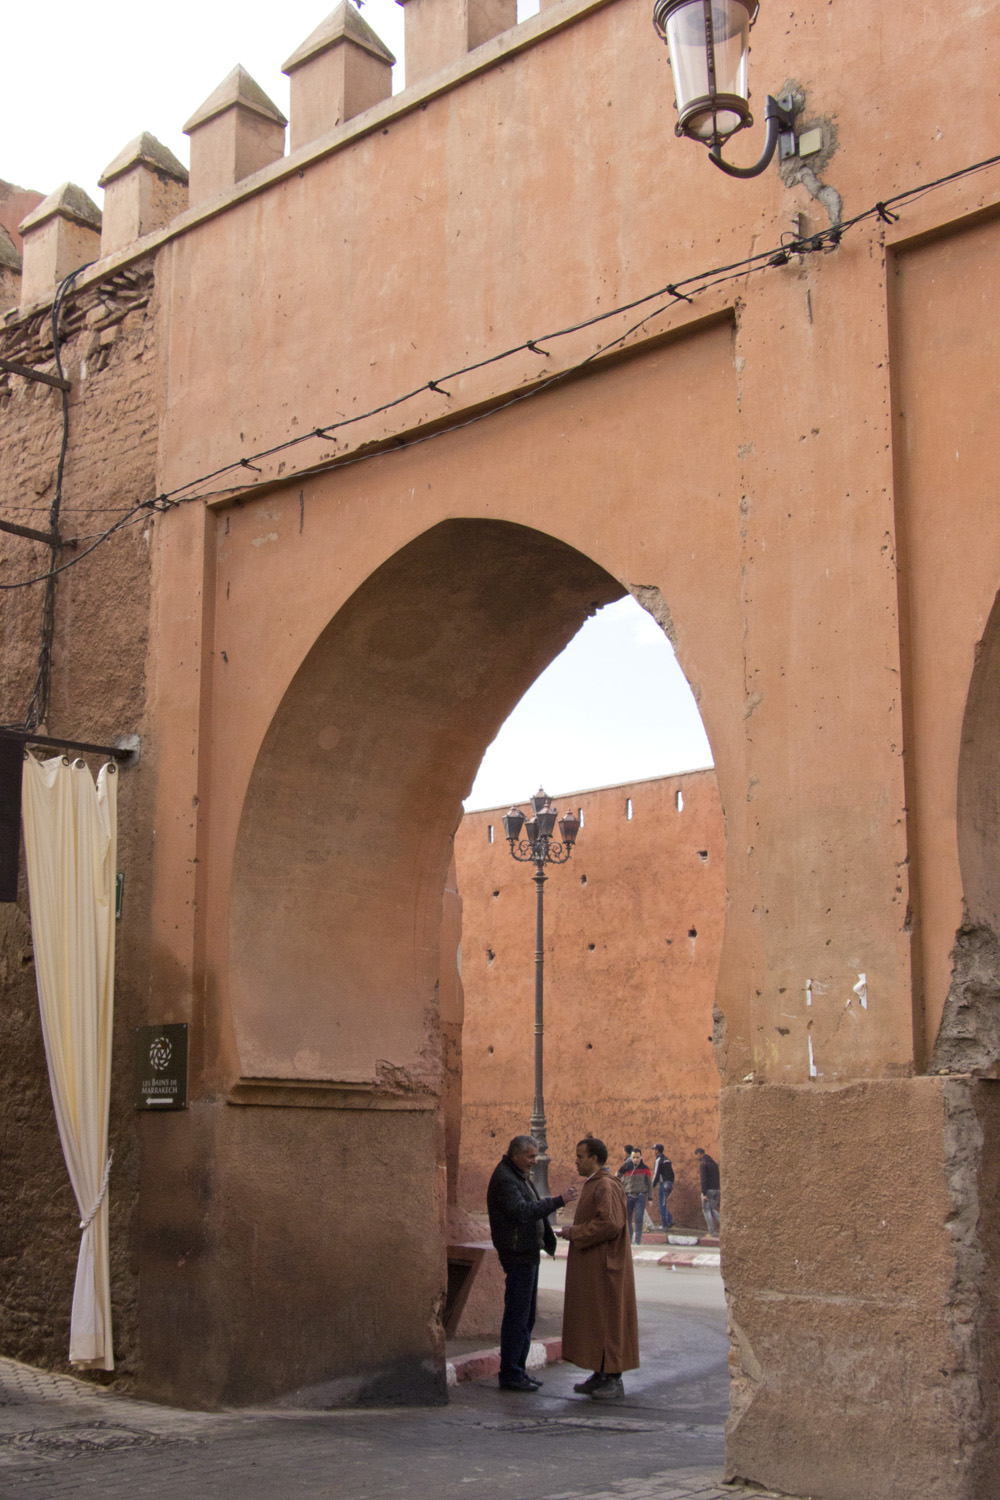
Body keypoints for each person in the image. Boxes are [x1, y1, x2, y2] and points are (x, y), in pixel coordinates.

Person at [486, 1134, 578, 1392]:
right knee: (517, 1316)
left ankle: (518, 1370)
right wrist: (558, 1201)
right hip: (517, 1253)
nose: (534, 1161)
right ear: (515, 1154)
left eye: (535, 1156)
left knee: (525, 1317)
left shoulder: (516, 1175)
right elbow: (522, 1211)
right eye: (530, 1156)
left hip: (526, 1252)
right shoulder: (505, 1179)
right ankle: (511, 1373)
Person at [559, 1136, 640, 1401]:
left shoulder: (605, 1185)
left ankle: (613, 1377)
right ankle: (600, 1372)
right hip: (596, 1267)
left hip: (607, 1268)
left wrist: (575, 1232)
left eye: (580, 1156)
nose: (576, 1161)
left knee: (608, 1320)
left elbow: (610, 1223)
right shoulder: (597, 1184)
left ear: (594, 1159)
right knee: (596, 1318)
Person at [618, 1147, 652, 1244]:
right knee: (627, 1217)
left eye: (637, 1157)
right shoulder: (626, 1167)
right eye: (634, 1157)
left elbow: (649, 1183)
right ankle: (629, 1237)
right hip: (628, 1195)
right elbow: (617, 1177)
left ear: (641, 1157)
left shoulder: (645, 1168)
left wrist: (650, 1198)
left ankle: (638, 1240)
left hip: (640, 1196)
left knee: (638, 1218)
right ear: (631, 1157)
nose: (636, 1159)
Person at [695, 1146, 720, 1234]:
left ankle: (712, 1232)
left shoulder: (703, 1163)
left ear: (699, 1154)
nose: (697, 1158)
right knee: (712, 1209)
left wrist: (704, 1193)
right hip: (717, 1189)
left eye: (697, 1156)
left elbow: (703, 1179)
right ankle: (725, 1226)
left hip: (708, 1190)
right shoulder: (714, 1163)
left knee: (706, 1210)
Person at [651, 1144, 675, 1229]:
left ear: (657, 1150)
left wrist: (652, 1186)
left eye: (654, 1150)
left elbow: (656, 1174)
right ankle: (670, 1220)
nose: (653, 1151)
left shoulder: (659, 1160)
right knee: (663, 1203)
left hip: (663, 1184)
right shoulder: (667, 1160)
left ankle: (664, 1225)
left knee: (662, 1204)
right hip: (670, 1183)